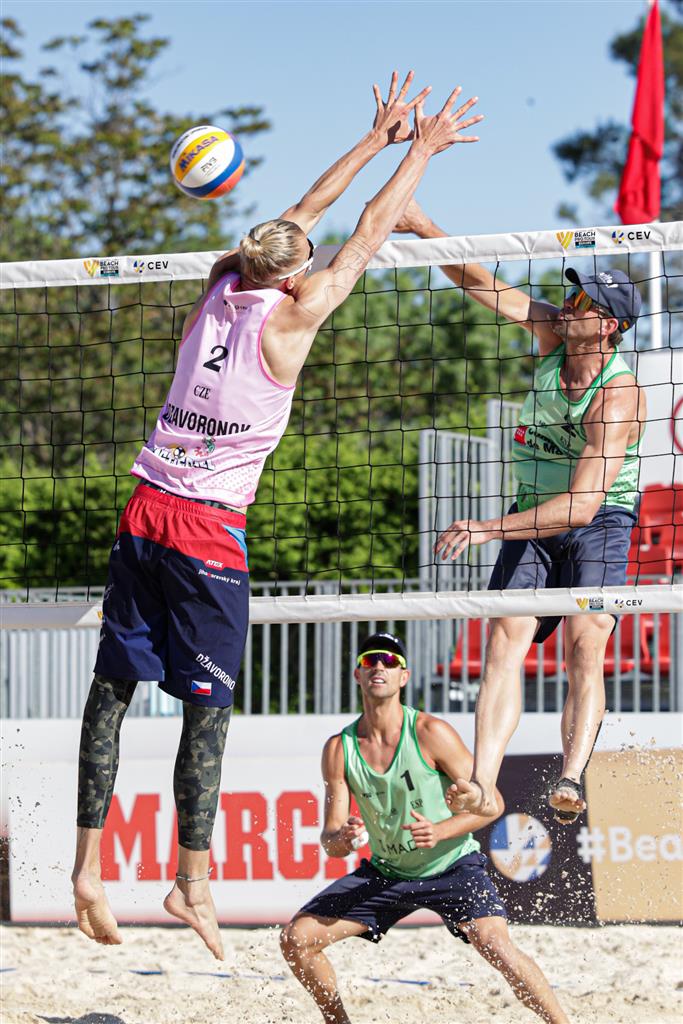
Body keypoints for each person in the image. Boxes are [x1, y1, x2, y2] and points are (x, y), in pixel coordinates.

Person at [71, 74, 485, 959]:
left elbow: (303, 213)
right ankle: (191, 882)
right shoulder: (295, 319)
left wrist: (373, 137)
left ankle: (86, 871)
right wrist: (419, 148)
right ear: (294, 270)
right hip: (206, 531)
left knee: (110, 693)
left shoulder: (223, 281)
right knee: (206, 712)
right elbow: (367, 229)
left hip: (144, 506)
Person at [394, 199, 645, 825]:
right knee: (505, 636)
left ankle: (571, 778)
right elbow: (482, 284)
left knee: (585, 642)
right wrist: (423, 225)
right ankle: (484, 784)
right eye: (571, 295)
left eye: (582, 301)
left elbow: (583, 505)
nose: (567, 304)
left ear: (609, 326)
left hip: (599, 522)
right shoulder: (553, 337)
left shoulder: (617, 397)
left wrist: (487, 528)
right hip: (533, 510)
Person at [280, 632, 569, 1024]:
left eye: (389, 661)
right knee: (296, 941)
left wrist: (441, 830)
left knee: (495, 945)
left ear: (404, 677)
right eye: (369, 660)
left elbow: (493, 805)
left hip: (451, 865)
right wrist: (343, 838)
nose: (378, 665)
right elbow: (331, 842)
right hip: (387, 872)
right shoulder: (338, 749)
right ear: (357, 674)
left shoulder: (431, 733)